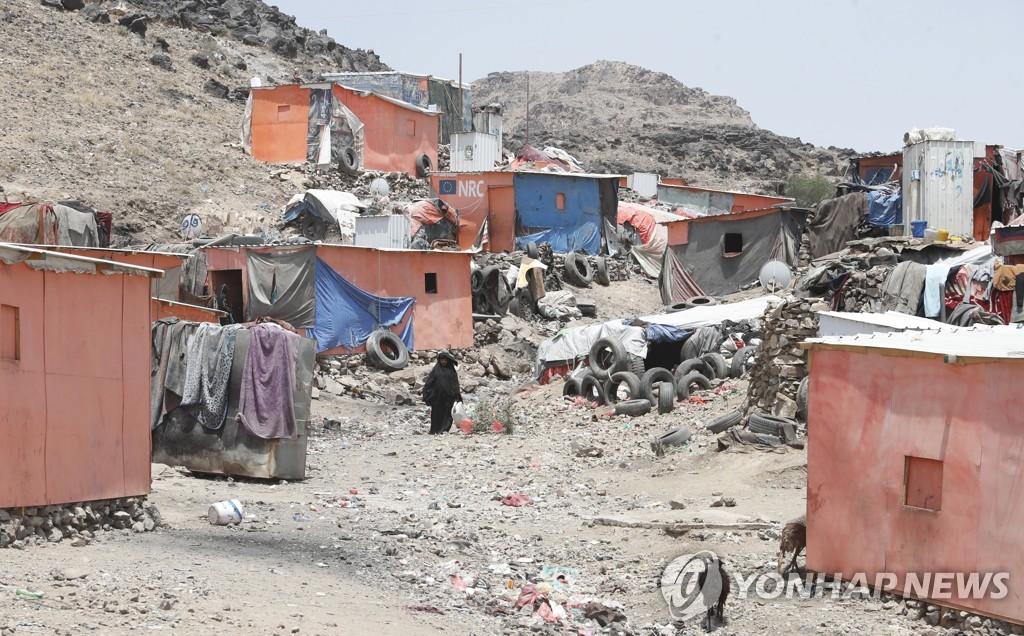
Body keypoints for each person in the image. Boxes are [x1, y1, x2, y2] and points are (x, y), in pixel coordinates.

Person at [422, 351, 461, 435]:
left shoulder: (451, 370)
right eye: (441, 360)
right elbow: (430, 381)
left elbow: (455, 383)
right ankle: (435, 430)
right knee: (436, 413)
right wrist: (425, 390)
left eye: (445, 360)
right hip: (437, 397)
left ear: (447, 360)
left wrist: (457, 394)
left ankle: (444, 430)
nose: (443, 362)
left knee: (447, 413)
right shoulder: (436, 369)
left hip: (448, 397)